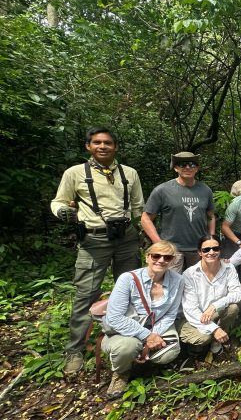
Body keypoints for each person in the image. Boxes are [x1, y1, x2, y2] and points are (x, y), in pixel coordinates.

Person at [51, 126, 144, 378]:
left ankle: (131, 336)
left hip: (126, 238)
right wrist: (62, 212)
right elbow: (58, 201)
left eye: (108, 143)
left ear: (116, 147)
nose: (103, 146)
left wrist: (145, 235)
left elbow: (138, 207)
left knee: (134, 290)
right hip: (93, 240)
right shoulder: (75, 173)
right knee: (86, 294)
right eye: (97, 142)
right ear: (88, 146)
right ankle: (75, 351)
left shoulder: (129, 173)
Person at [101, 241, 183, 398]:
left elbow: (171, 314)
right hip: (125, 329)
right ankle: (121, 373)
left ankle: (145, 362)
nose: (161, 260)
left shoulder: (178, 280)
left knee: (170, 352)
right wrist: (148, 336)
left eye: (167, 257)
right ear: (147, 257)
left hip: (158, 326)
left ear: (172, 261)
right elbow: (115, 317)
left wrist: (155, 334)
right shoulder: (128, 279)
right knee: (127, 347)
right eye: (156, 256)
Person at [141, 152, 216, 272]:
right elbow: (146, 218)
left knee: (197, 285)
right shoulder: (163, 190)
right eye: (182, 164)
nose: (187, 167)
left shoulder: (205, 190)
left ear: (197, 168)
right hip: (172, 250)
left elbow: (211, 216)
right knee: (169, 285)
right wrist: (159, 243)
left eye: (192, 164)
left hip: (199, 249)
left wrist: (211, 238)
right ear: (175, 168)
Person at [179, 236, 241, 358]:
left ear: (220, 250)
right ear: (199, 252)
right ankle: (194, 351)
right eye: (206, 250)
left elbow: (237, 293)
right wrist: (214, 329)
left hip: (214, 313)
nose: (211, 252)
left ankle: (216, 344)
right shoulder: (189, 274)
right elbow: (191, 310)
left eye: (215, 248)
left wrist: (215, 305)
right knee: (203, 337)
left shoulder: (229, 268)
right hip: (194, 318)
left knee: (233, 308)